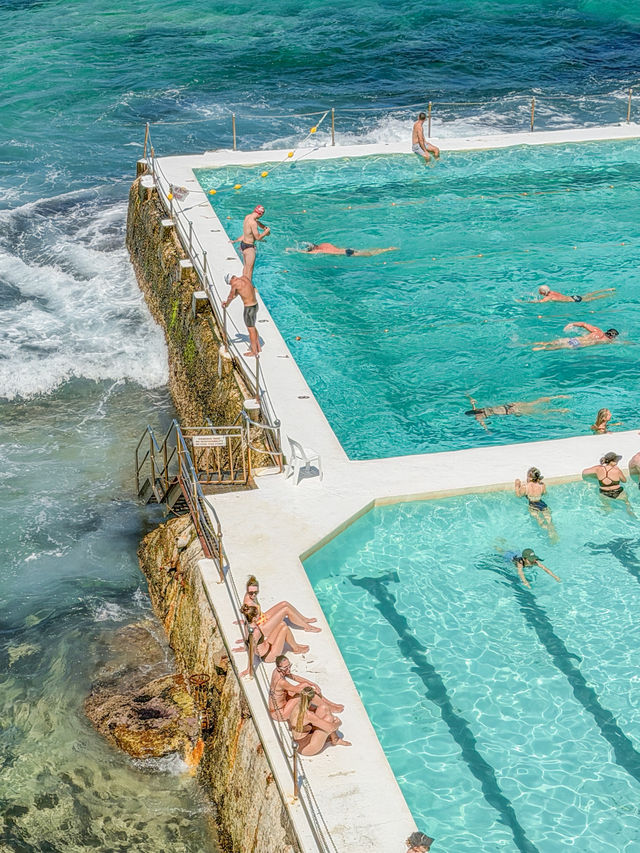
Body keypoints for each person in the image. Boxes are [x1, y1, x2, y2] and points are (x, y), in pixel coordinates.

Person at [237, 605, 309, 677]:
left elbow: (247, 639)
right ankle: (296, 649)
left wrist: (244, 648)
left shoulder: (247, 624)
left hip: (266, 646)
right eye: (258, 614)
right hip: (268, 655)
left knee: (282, 624)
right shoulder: (256, 632)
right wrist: (249, 669)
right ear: (254, 618)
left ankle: (295, 645)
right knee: (285, 629)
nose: (260, 615)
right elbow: (251, 651)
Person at [268, 655, 343, 722]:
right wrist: (312, 689)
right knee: (307, 692)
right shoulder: (281, 682)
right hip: (280, 713)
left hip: (282, 704)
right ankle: (328, 708)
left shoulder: (278, 671)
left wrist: (313, 684)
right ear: (278, 668)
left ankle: (330, 704)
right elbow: (300, 690)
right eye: (285, 668)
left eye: (289, 666)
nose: (288, 669)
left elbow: (295, 677)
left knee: (305, 685)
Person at [243, 576, 320, 635]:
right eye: (251, 592)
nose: (253, 594)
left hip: (263, 617)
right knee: (286, 610)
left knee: (284, 603)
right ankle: (308, 627)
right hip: (263, 628)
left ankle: (304, 619)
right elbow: (249, 622)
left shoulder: (251, 595)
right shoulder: (248, 604)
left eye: (255, 592)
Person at [288, 686, 351, 756]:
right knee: (329, 719)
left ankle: (335, 739)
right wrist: (339, 723)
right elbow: (331, 728)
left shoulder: (298, 706)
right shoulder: (308, 715)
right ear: (312, 699)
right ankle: (335, 739)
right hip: (306, 747)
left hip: (300, 739)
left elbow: (321, 707)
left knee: (324, 708)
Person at [464, 394, 570, 431]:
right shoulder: (480, 409)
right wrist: (469, 397)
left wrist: (487, 430)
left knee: (537, 412)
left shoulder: (479, 416)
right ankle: (557, 397)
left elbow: (483, 425)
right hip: (510, 405)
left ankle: (559, 410)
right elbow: (472, 402)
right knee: (534, 403)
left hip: (511, 410)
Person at [582, 452, 635, 516]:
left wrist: (596, 475)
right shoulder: (616, 470)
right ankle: (631, 514)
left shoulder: (598, 469)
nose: (617, 462)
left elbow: (584, 472)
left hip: (604, 493)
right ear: (612, 461)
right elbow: (624, 480)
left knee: (607, 508)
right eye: (616, 460)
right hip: (618, 493)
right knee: (627, 504)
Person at [221, 272, 261, 357]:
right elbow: (242, 292)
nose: (231, 285)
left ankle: (254, 351)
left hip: (249, 309)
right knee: (253, 326)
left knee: (251, 329)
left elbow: (230, 297)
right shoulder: (245, 278)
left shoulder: (234, 284)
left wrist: (226, 304)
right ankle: (258, 347)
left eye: (230, 283)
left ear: (231, 280)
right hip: (255, 305)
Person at [515, 467, 558, 541]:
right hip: (543, 505)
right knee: (550, 523)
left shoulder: (525, 487)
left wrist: (517, 485)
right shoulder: (542, 485)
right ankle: (554, 535)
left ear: (529, 478)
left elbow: (518, 495)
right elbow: (544, 493)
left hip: (533, 506)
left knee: (541, 523)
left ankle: (548, 536)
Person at [230, 204, 270, 280]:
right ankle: (248, 287)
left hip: (243, 244)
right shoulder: (253, 223)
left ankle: (243, 283)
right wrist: (266, 231)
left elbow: (247, 233)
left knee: (245, 268)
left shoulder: (247, 217)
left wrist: (236, 240)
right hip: (249, 247)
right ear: (260, 214)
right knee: (250, 270)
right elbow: (257, 237)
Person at [533, 322, 619, 351]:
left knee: (552, 342)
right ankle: (541, 348)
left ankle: (530, 344)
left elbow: (583, 324)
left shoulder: (597, 330)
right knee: (557, 347)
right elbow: (620, 343)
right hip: (577, 344)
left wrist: (572, 324)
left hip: (574, 339)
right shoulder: (608, 341)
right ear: (612, 337)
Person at [527, 285, 615, 303]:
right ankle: (608, 289)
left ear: (543, 292)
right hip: (573, 296)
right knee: (590, 294)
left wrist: (524, 302)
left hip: (573, 301)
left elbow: (539, 302)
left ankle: (609, 295)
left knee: (592, 299)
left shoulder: (549, 297)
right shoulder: (552, 292)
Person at [289, 242, 397, 256]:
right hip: (346, 249)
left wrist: (292, 250)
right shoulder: (325, 244)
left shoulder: (317, 251)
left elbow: (304, 252)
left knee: (369, 254)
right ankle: (387, 248)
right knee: (369, 250)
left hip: (347, 253)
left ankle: (387, 249)